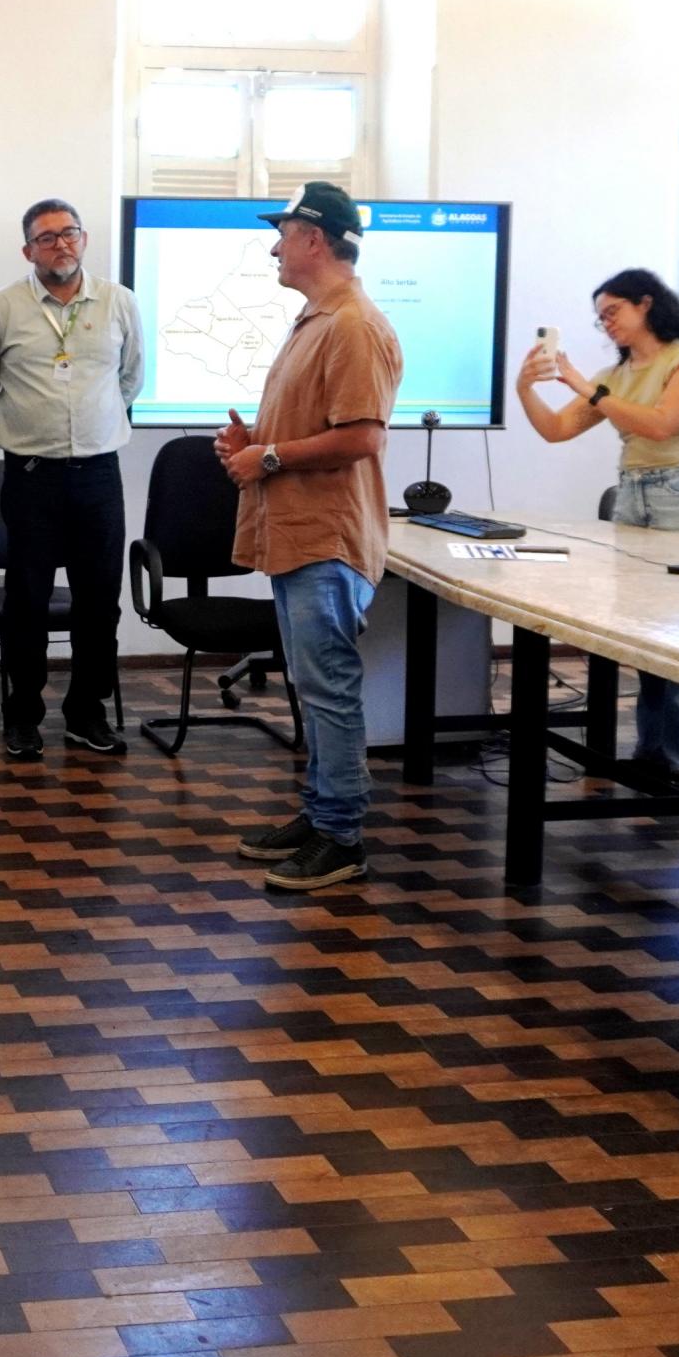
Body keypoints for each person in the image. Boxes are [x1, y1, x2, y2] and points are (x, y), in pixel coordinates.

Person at [221, 184, 402, 894]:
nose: (274, 246)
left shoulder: (353, 325)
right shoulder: (318, 320)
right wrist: (255, 443)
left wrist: (266, 458)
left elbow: (361, 436)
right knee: (315, 687)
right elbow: (316, 426)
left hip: (327, 538)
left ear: (315, 240)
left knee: (328, 691)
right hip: (300, 533)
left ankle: (343, 837)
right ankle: (322, 813)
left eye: (284, 233)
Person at [517, 269, 679, 790]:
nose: (606, 324)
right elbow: (556, 430)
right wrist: (525, 387)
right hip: (635, 494)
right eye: (600, 318)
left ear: (647, 304)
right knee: (647, 631)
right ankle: (655, 750)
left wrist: (584, 388)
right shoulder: (614, 376)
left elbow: (662, 424)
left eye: (613, 312)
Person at [0, 197, 144, 761]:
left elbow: (131, 378)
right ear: (28, 250)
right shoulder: (2, 308)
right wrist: (16, 428)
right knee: (27, 601)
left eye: (70, 234)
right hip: (32, 475)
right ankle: (23, 717)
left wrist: (98, 424)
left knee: (99, 601)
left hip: (98, 475)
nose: (61, 245)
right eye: (47, 238)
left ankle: (87, 712)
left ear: (84, 240)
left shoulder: (118, 303)